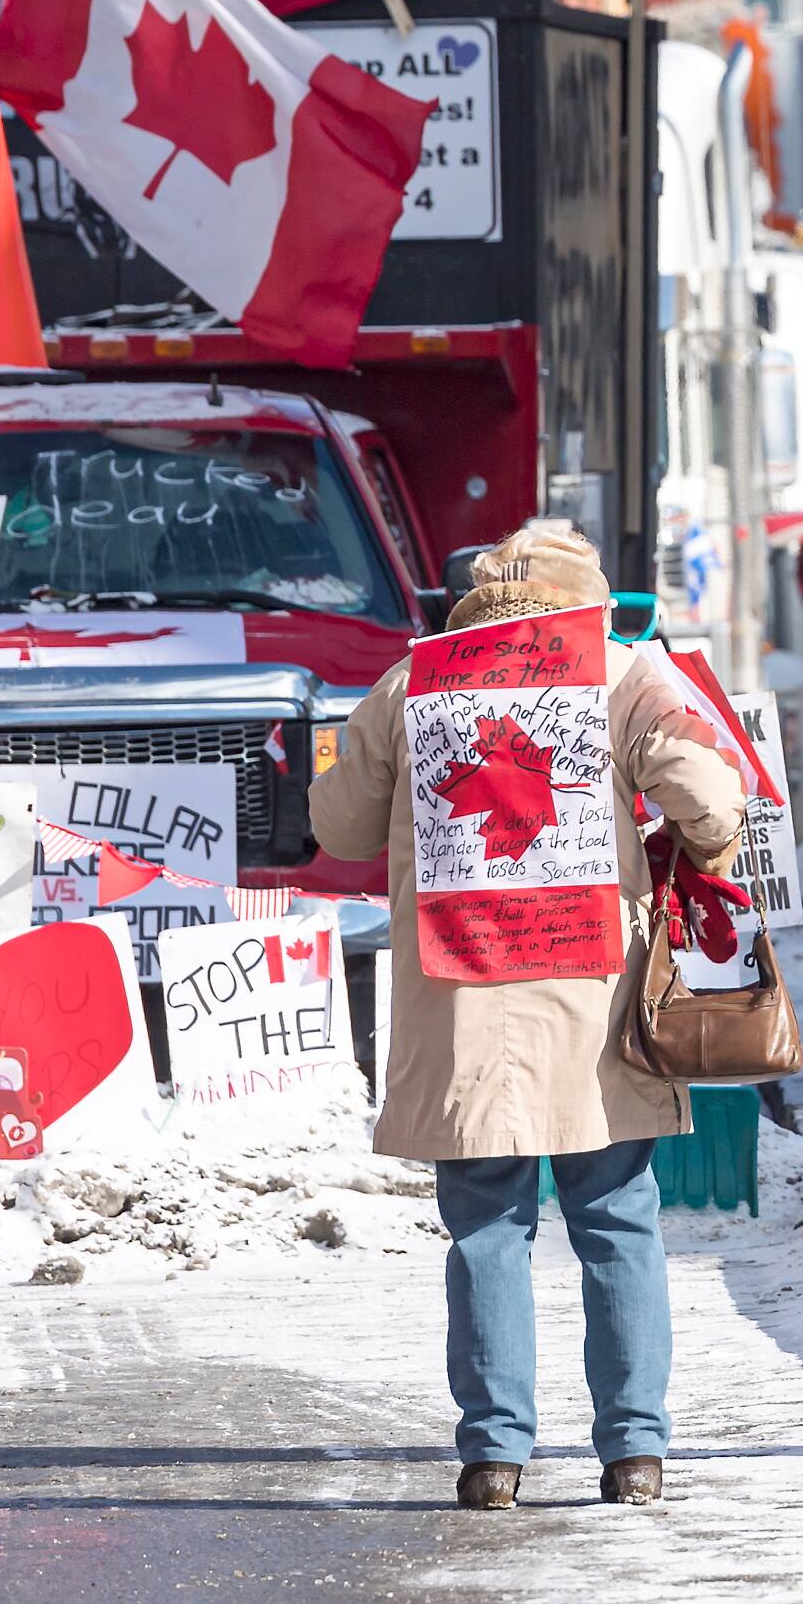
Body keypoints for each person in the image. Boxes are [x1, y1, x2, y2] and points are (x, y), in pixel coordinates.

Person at [311, 520, 750, 1512]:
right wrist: (703, 848)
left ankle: (493, 1456)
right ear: (584, 596)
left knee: (484, 1229)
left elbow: (336, 823)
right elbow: (710, 794)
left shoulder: (414, 678)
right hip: (589, 998)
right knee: (617, 1219)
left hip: (459, 998)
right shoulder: (625, 669)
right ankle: (635, 1452)